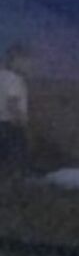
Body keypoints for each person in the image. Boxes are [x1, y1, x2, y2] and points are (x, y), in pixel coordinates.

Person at [0, 43, 31, 177]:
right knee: (16, 159)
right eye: (26, 61)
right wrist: (21, 122)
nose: (28, 65)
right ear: (16, 59)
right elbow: (12, 103)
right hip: (10, 125)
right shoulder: (14, 79)